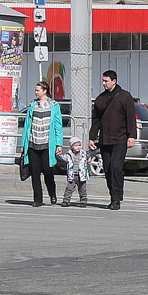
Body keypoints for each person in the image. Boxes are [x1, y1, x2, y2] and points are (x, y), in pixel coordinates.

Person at [88, 70, 137, 210]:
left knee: (116, 167)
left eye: (106, 81)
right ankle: (112, 195)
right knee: (108, 169)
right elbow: (96, 119)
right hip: (105, 139)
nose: (104, 83)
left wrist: (132, 136)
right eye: (103, 81)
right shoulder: (100, 99)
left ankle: (116, 198)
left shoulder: (124, 97)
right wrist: (92, 137)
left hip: (120, 139)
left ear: (114, 81)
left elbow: (130, 117)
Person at [20, 80, 64, 208]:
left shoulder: (54, 105)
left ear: (45, 91)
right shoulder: (33, 105)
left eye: (38, 90)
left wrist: (58, 144)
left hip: (46, 143)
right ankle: (37, 198)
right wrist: (24, 144)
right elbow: (27, 126)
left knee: (47, 169)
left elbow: (58, 126)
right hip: (33, 142)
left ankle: (52, 193)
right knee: (35, 172)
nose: (36, 92)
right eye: (35, 90)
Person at [59, 136, 90, 207]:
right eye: (76, 145)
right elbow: (63, 158)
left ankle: (83, 201)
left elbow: (89, 155)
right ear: (72, 146)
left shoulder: (83, 154)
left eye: (79, 145)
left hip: (81, 175)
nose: (78, 147)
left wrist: (92, 150)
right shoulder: (69, 155)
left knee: (82, 189)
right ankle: (66, 200)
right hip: (72, 175)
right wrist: (58, 155)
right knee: (69, 189)